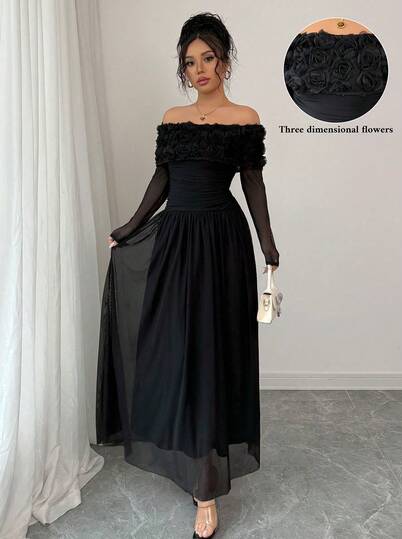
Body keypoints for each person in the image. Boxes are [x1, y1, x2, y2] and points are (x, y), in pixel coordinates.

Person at [96, 12, 280, 539]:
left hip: (222, 243)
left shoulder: (244, 117)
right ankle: (190, 456)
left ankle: (206, 489)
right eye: (189, 62)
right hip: (176, 242)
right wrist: (130, 227)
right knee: (175, 350)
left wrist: (268, 245)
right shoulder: (173, 117)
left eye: (207, 58)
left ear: (224, 61)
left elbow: (253, 186)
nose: (199, 69)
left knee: (212, 355)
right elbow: (162, 179)